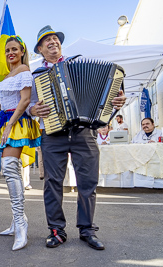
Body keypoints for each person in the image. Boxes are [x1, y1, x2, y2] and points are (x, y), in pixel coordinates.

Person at [29, 25, 126, 250]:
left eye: (55, 39)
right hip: (53, 133)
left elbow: (108, 95)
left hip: (84, 131)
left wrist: (117, 101)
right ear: (40, 49)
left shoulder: (76, 63)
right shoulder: (36, 75)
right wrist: (33, 111)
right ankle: (56, 230)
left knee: (88, 183)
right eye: (47, 41)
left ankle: (87, 229)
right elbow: (28, 104)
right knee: (53, 183)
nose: (53, 42)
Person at [0, 35, 41, 251]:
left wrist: (10, 124)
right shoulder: (8, 75)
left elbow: (25, 100)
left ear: (21, 51)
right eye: (8, 50)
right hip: (7, 123)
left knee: (10, 168)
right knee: (12, 172)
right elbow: (3, 104)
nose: (10, 53)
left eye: (14, 49)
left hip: (16, 123)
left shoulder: (24, 70)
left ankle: (21, 224)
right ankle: (16, 221)